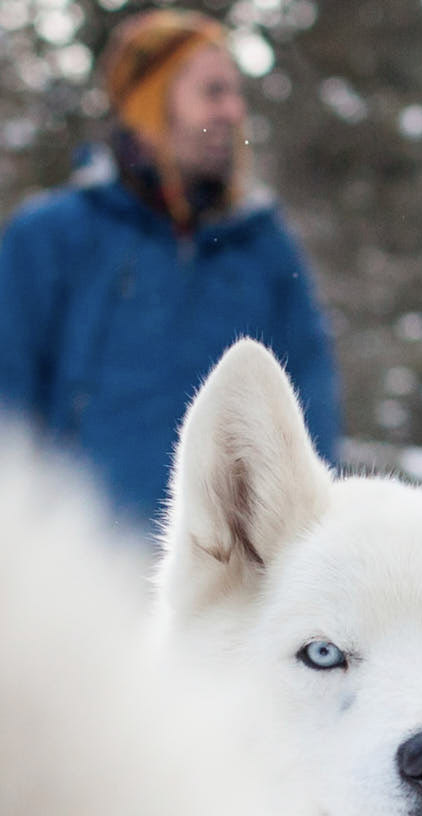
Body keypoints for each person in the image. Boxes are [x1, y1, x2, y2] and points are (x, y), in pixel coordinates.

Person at [0, 8, 340, 533]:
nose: (232, 110)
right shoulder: (50, 238)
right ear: (150, 104)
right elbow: (10, 418)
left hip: (224, 584)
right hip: (83, 570)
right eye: (212, 91)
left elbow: (312, 420)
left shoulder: (265, 248)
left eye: (234, 93)